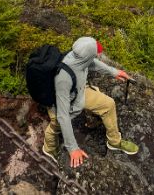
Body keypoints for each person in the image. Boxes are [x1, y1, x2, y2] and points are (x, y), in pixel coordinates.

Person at [42, 37, 139, 167]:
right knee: (57, 125)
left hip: (79, 92)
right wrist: (73, 149)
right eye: (95, 52)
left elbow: (93, 63)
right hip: (60, 103)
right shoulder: (63, 78)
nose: (98, 54)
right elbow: (63, 115)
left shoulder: (81, 58)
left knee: (108, 104)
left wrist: (114, 72)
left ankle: (114, 142)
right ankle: (49, 148)